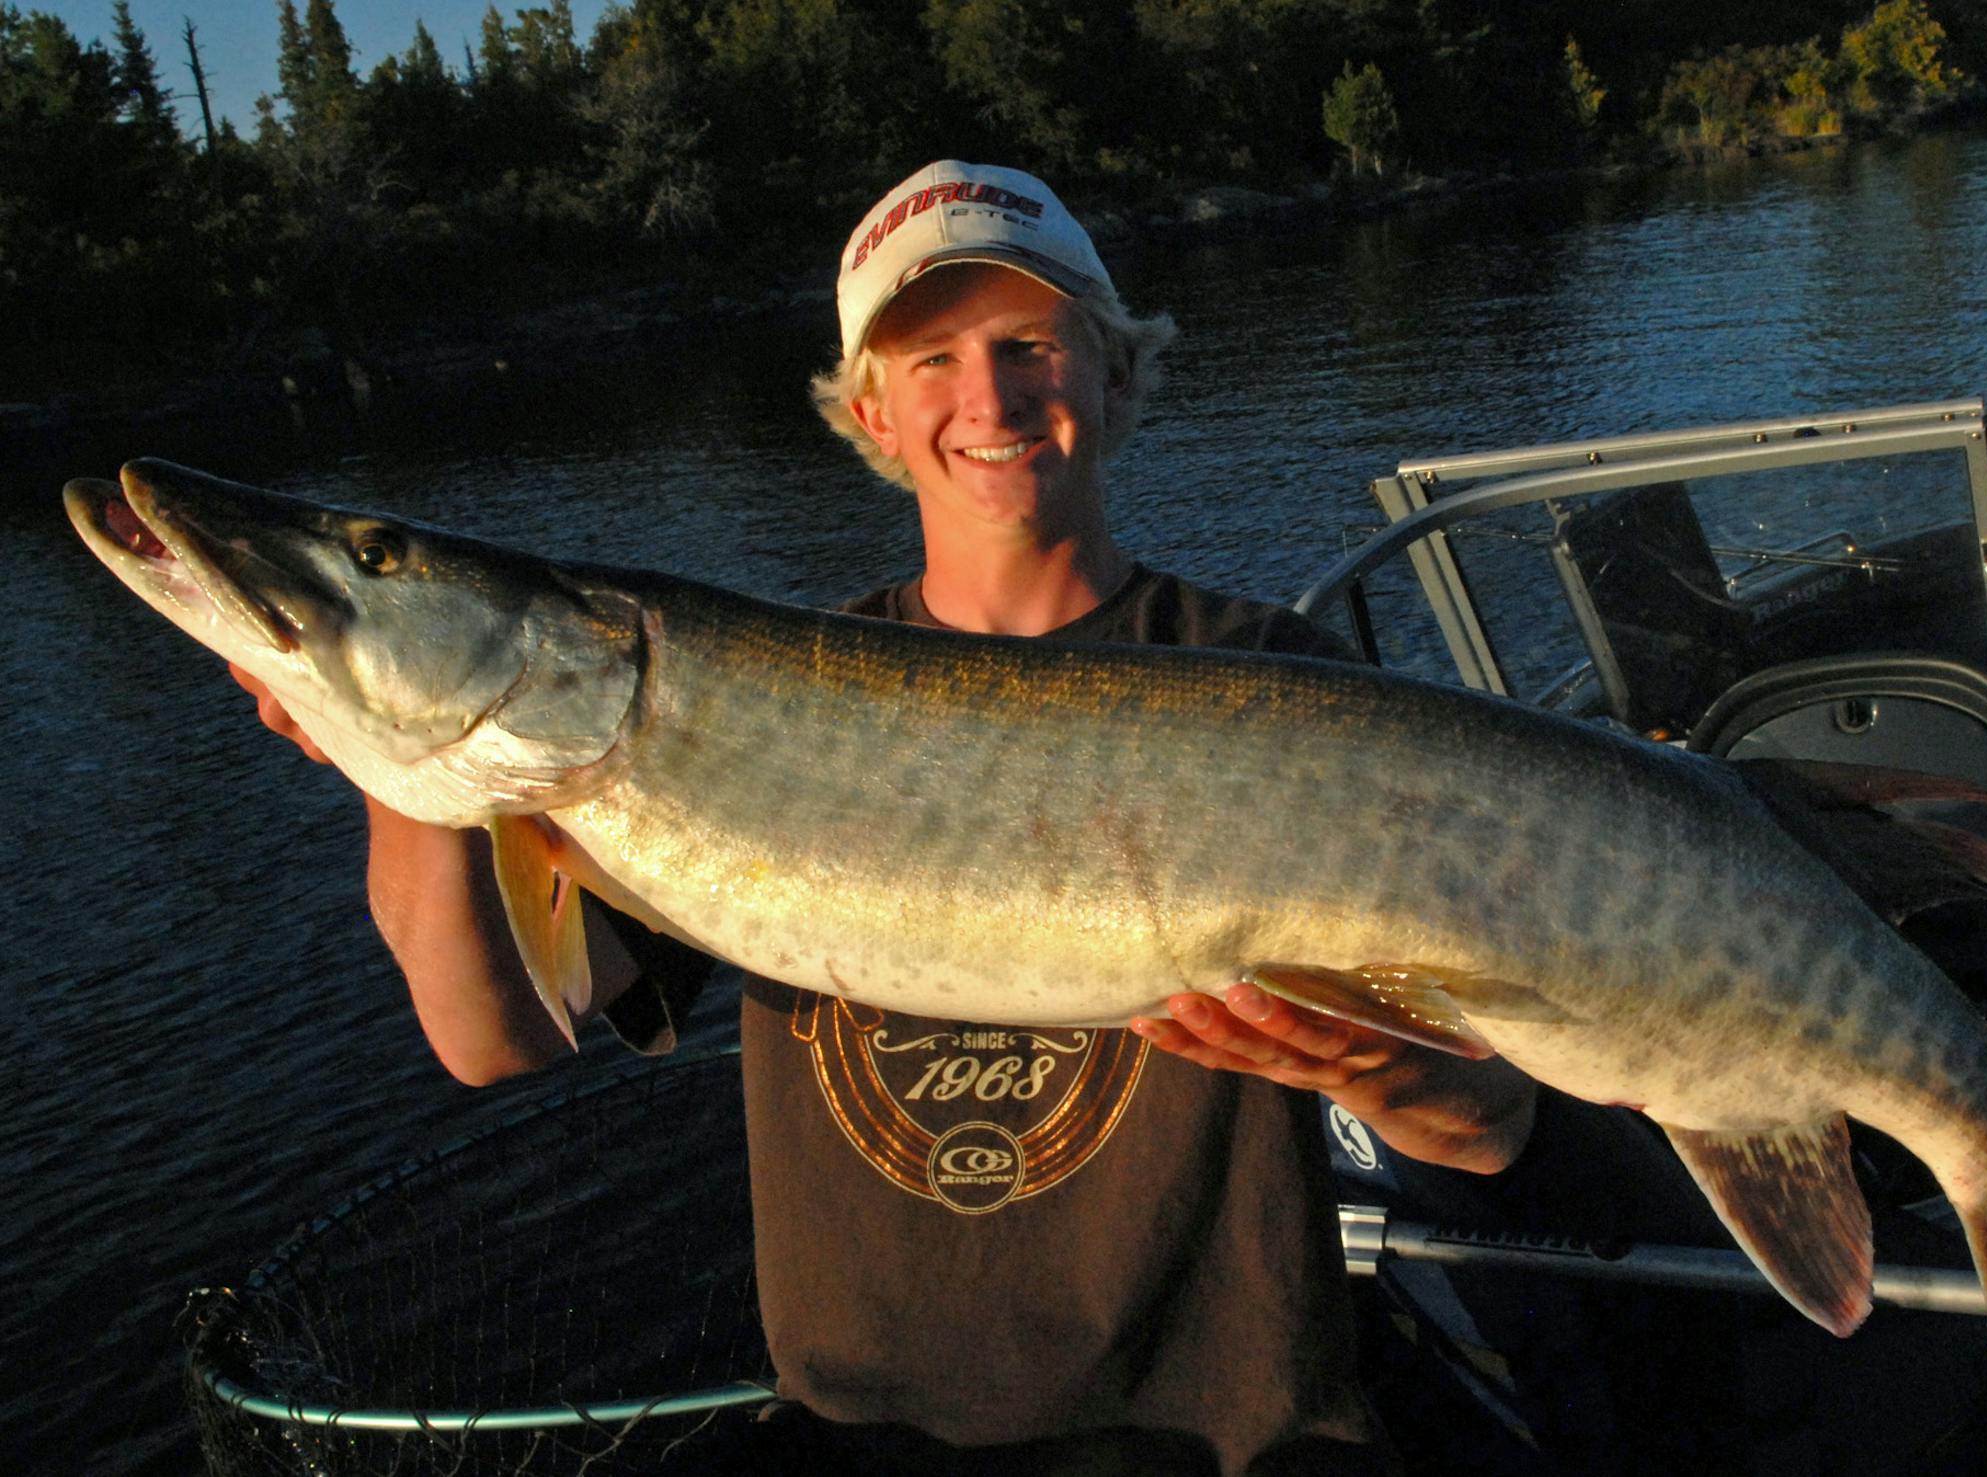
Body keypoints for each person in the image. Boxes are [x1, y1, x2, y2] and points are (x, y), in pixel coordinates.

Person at [233, 159, 1540, 1475]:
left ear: (1117, 375)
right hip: (868, 1439)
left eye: (1031, 343)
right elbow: (488, 1034)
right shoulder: (707, 708)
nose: (989, 396)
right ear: (871, 411)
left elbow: (1486, 1124)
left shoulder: (1284, 677)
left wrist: (1389, 1069)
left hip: (1230, 1435)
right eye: (931, 359)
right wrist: (384, 744)